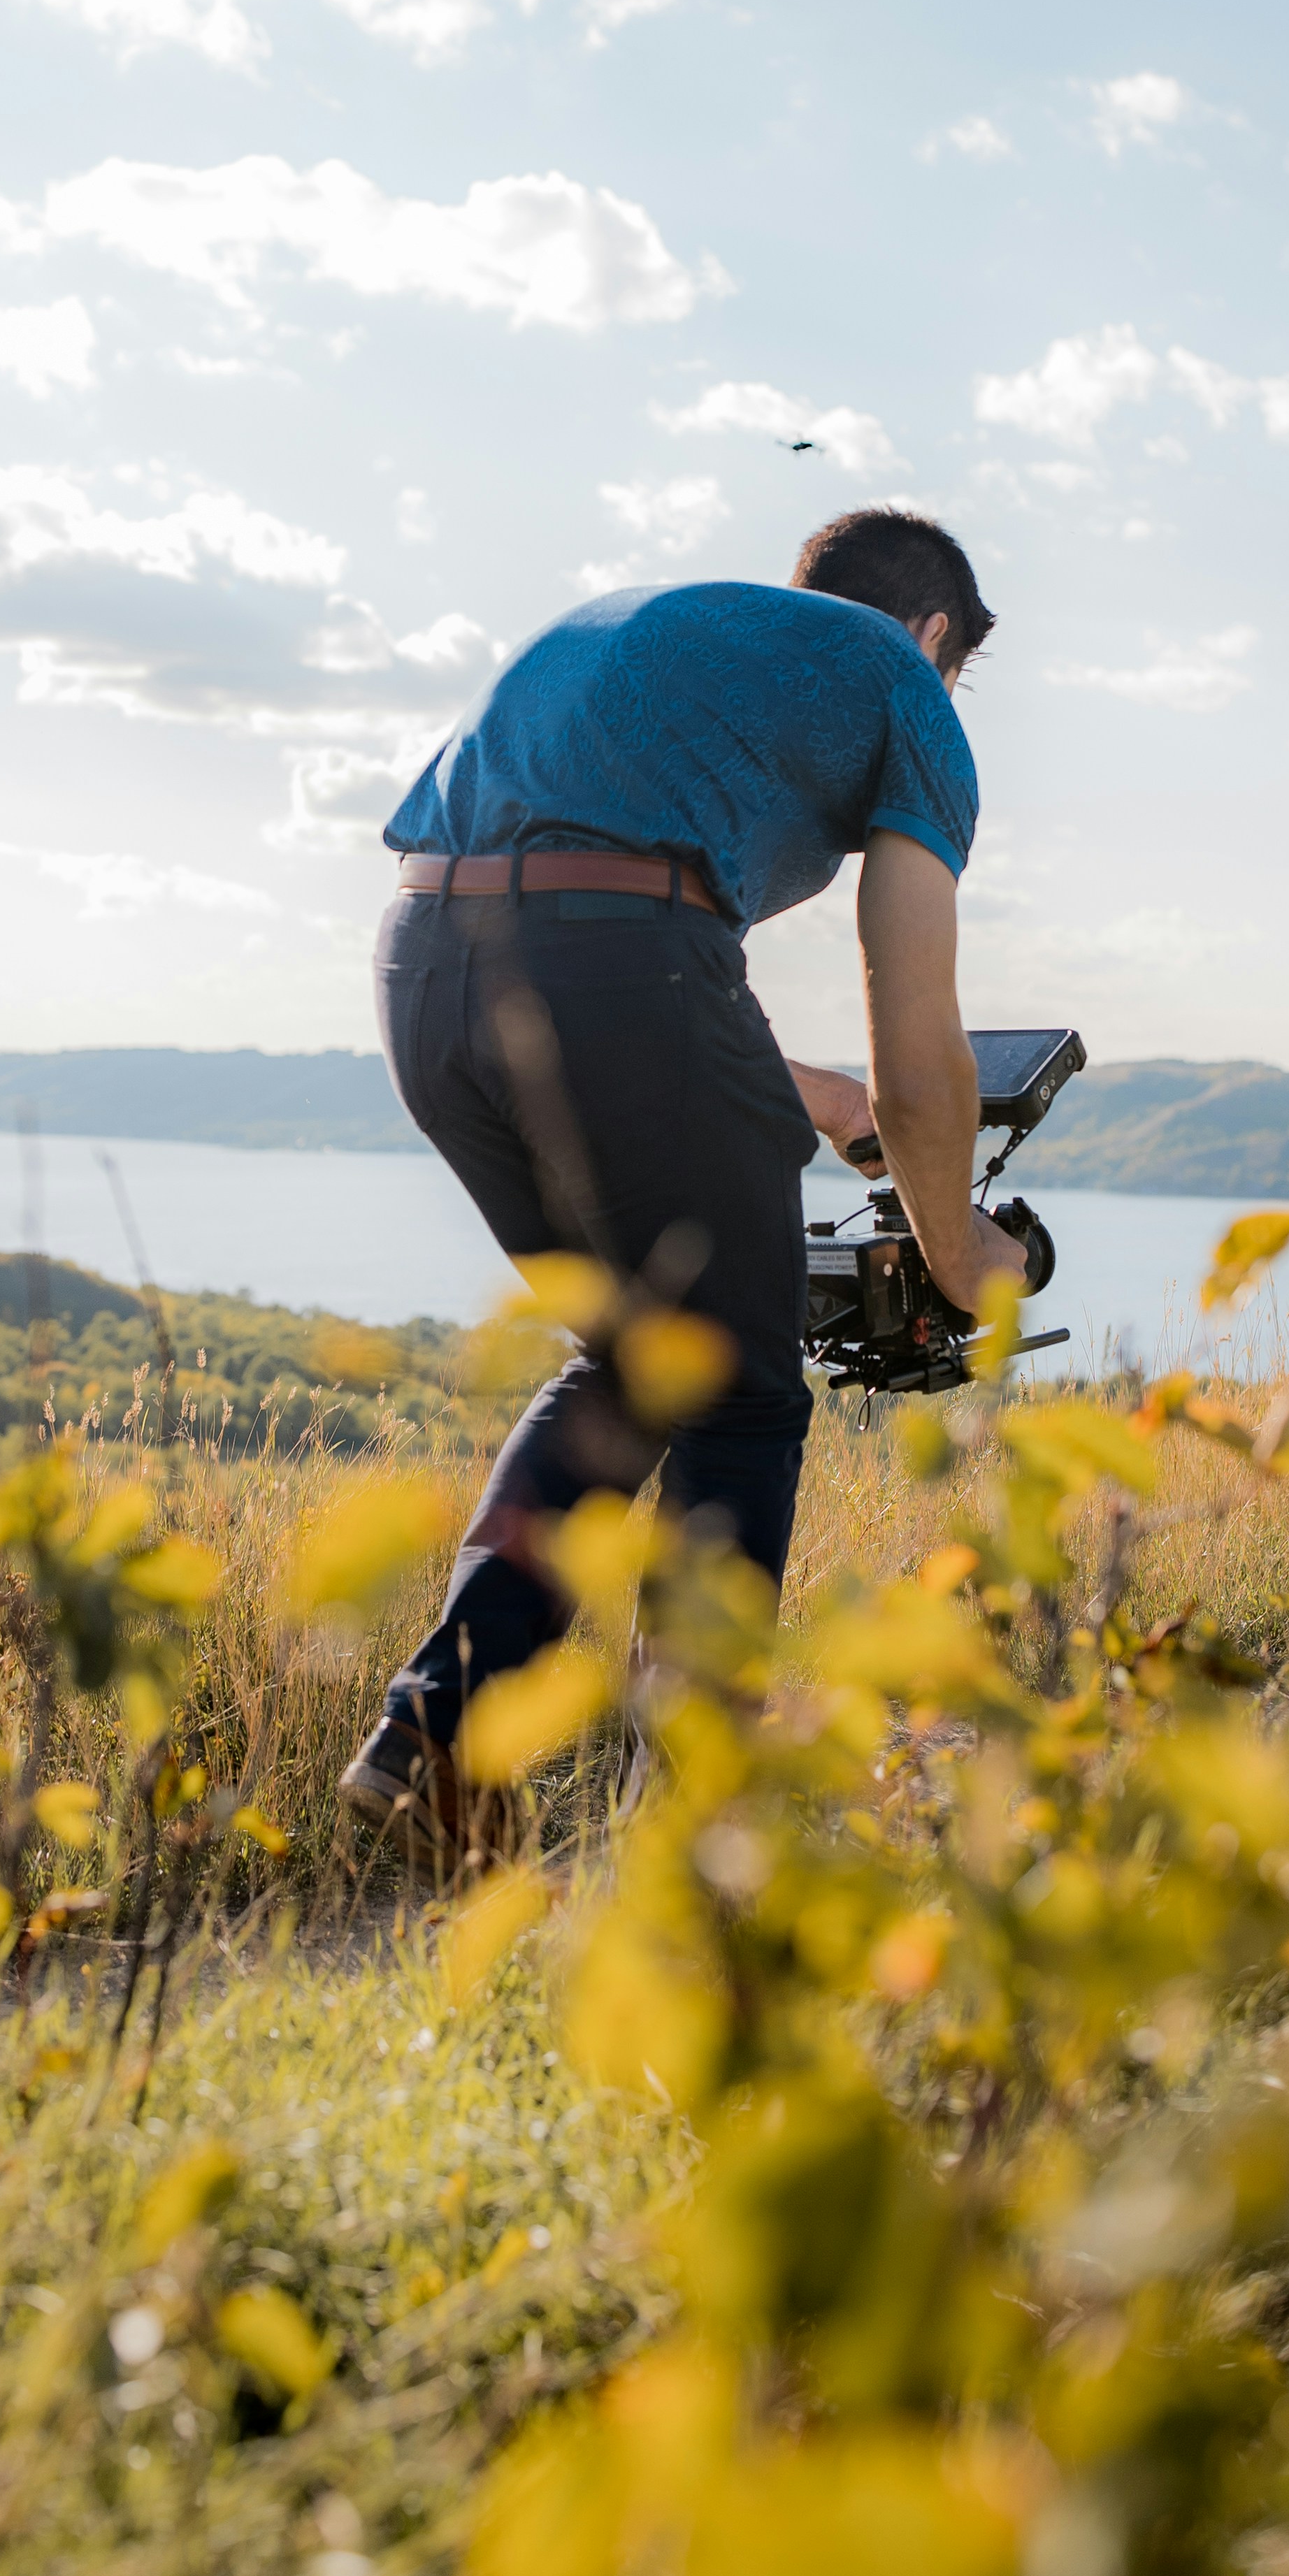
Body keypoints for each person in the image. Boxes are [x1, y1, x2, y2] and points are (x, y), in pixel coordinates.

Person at [337, 504, 1028, 1852]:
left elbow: (572, 899)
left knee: (631, 1359)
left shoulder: (687, 635)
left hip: (420, 966)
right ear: (935, 634)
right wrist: (961, 1256)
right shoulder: (905, 687)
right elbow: (920, 1043)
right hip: (616, 960)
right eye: (949, 669)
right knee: (747, 1401)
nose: (938, 695)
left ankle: (437, 1732)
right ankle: (694, 1820)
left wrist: (804, 1094)